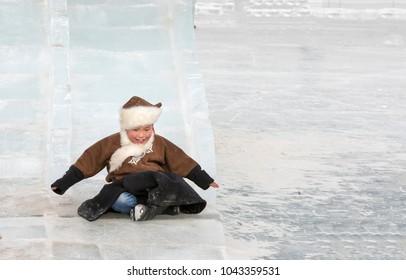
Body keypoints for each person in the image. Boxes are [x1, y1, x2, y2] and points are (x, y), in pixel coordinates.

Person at [51, 96, 219, 222]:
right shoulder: (113, 142)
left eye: (147, 129)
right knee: (119, 201)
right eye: (135, 130)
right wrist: (63, 182)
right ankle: (158, 207)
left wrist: (203, 178)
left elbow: (180, 160)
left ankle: (151, 206)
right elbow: (89, 160)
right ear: (126, 128)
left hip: (155, 185)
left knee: (171, 181)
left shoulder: (159, 143)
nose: (141, 135)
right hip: (126, 187)